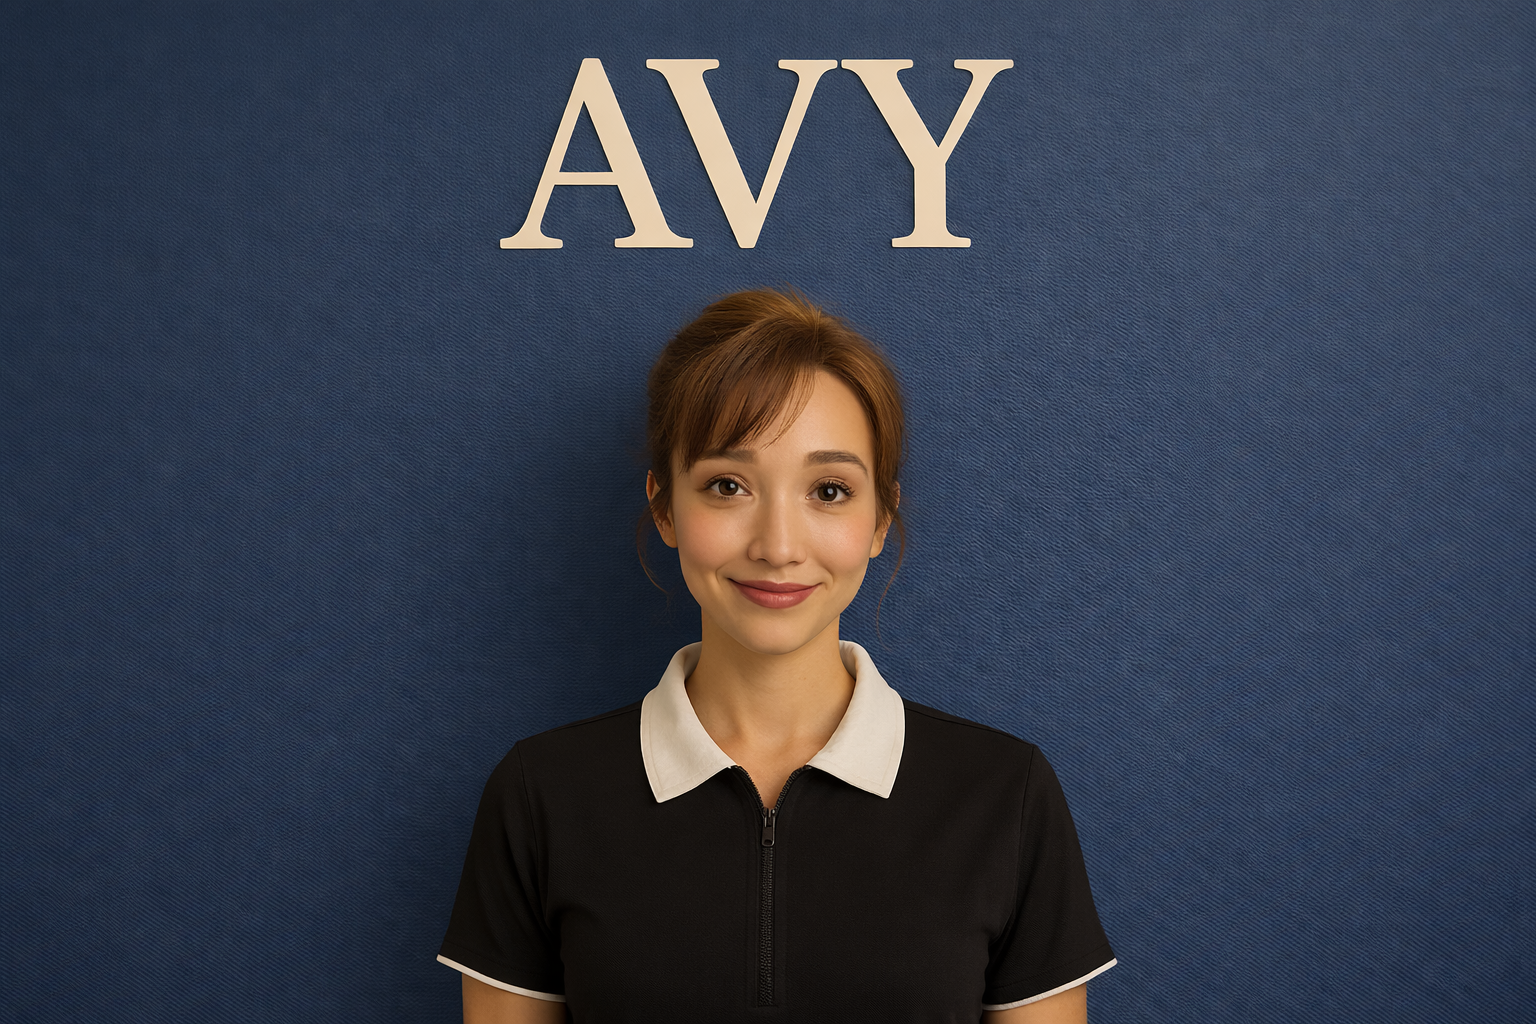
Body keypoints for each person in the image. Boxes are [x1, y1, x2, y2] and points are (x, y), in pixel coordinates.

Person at [437, 289, 1116, 1023]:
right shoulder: (540, 796)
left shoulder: (1003, 798)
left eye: (829, 490)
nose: (779, 546)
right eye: (727, 486)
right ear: (665, 507)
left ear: (881, 516)